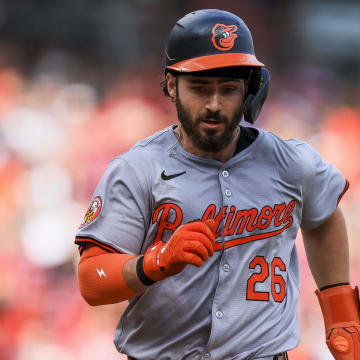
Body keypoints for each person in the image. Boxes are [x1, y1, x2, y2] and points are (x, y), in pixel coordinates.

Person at [75, 9, 360, 360]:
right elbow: (91, 280)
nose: (213, 104)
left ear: (251, 90)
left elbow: (325, 217)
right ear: (170, 84)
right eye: (199, 88)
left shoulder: (290, 162)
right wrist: (154, 262)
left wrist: (341, 313)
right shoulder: (138, 169)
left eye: (228, 89)